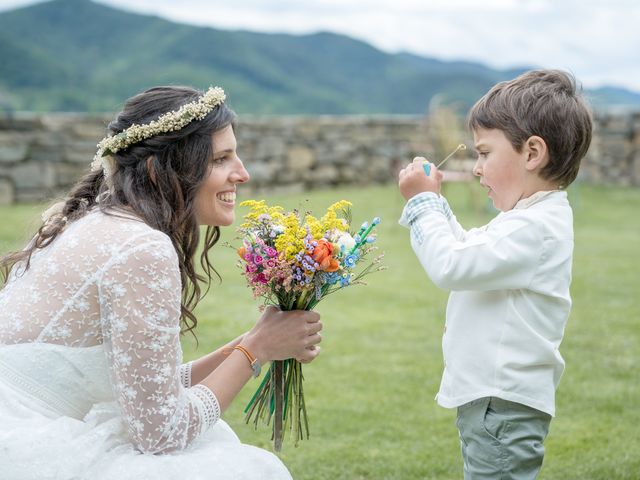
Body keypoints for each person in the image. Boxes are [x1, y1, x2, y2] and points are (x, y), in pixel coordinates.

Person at [0, 85, 323, 480]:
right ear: (162, 169)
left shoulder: (89, 219)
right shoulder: (140, 247)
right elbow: (161, 433)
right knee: (251, 470)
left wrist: (251, 343)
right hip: (27, 444)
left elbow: (147, 388)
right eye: (221, 159)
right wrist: (255, 352)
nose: (243, 173)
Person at [397, 70, 592, 479]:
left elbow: (451, 264)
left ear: (532, 153)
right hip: (495, 403)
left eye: (485, 153)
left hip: (503, 406)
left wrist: (424, 203)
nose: (476, 169)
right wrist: (434, 205)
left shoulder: (533, 227)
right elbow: (467, 250)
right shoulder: (526, 218)